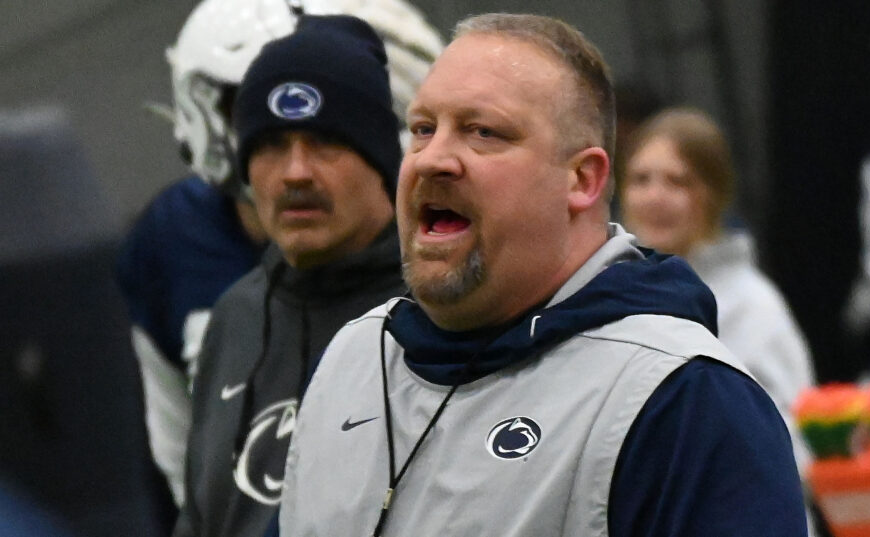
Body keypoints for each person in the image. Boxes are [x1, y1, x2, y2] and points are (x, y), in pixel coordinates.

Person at [281, 13, 806, 537]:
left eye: (482, 131)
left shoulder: (685, 400)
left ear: (581, 179)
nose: (433, 158)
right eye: (422, 129)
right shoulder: (351, 358)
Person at [115, 0, 442, 510]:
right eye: (270, 140)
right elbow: (184, 468)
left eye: (325, 140)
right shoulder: (203, 277)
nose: (296, 171)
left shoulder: (438, 272)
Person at [617, 106, 819, 533]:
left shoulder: (754, 306)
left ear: (713, 193)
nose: (654, 197)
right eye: (641, 179)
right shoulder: (608, 295)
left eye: (677, 182)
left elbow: (795, 447)